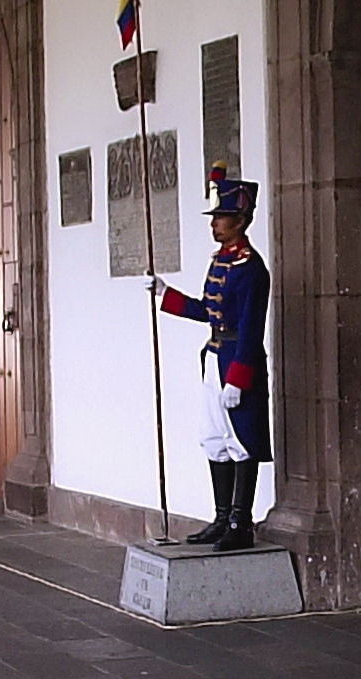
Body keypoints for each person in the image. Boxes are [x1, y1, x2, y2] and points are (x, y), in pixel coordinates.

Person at [147, 161, 271, 551]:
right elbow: (208, 311)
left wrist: (239, 378)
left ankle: (240, 523)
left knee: (241, 440)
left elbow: (251, 327)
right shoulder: (220, 261)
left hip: (235, 361)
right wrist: (166, 295)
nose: (214, 223)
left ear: (240, 220)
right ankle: (220, 518)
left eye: (222, 217)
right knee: (214, 438)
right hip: (214, 357)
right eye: (216, 216)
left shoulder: (251, 268)